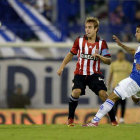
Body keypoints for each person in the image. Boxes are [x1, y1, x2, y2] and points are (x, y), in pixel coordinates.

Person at [57, 17, 118, 126]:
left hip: (94, 74)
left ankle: (113, 120)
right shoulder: (79, 40)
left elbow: (108, 61)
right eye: (86, 27)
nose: (87, 30)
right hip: (80, 73)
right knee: (76, 92)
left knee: (104, 95)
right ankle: (70, 119)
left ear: (96, 29)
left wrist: (99, 56)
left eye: (90, 27)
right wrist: (62, 66)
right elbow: (71, 54)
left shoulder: (102, 43)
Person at [83, 25, 140, 127]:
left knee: (111, 97)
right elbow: (134, 52)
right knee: (133, 99)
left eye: (138, 32)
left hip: (134, 80)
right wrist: (121, 45)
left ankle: (94, 121)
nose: (135, 34)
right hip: (136, 82)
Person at [108, 50, 132, 123]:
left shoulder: (127, 64)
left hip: (124, 87)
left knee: (123, 103)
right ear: (117, 55)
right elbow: (111, 75)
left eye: (121, 55)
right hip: (115, 86)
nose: (120, 56)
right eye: (119, 55)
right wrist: (109, 85)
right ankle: (114, 117)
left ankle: (122, 118)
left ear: (123, 55)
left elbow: (131, 75)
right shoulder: (113, 64)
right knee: (115, 102)